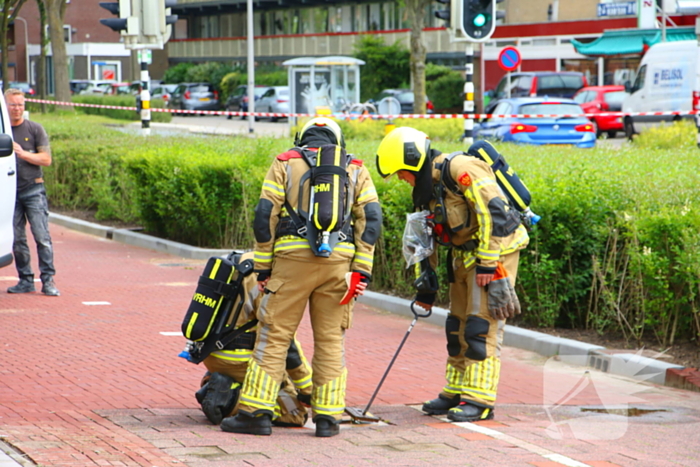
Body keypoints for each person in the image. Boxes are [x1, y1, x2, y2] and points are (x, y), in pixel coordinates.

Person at [222, 117, 382, 437]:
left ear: (302, 138)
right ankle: (327, 418)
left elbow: (264, 215)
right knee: (331, 339)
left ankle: (255, 413)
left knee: (275, 334)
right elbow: (371, 219)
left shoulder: (285, 162)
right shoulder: (355, 168)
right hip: (339, 262)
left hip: (292, 262)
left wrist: (264, 267)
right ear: (338, 142)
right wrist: (361, 270)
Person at [374, 127, 528, 422]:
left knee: (481, 325)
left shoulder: (461, 169)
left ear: (412, 161)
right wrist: (426, 288)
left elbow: (492, 213)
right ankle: (456, 390)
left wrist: (487, 263)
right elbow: (427, 239)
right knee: (456, 325)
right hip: (463, 256)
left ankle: (479, 400)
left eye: (401, 173)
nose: (400, 180)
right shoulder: (426, 190)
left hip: (495, 252)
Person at [195, 252, 313, 428]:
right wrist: (307, 391)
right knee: (295, 414)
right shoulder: (272, 277)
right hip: (241, 359)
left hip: (211, 353)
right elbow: (286, 346)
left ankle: (219, 380)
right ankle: (229, 398)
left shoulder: (241, 260)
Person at [4, 88, 59, 296]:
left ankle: (48, 280)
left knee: (41, 236)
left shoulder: (35, 129)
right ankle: (25, 279)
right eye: (12, 105)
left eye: (20, 105)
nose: (17, 109)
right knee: (17, 239)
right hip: (10, 192)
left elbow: (46, 159)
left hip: (33, 189)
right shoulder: (3, 131)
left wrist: (23, 153)